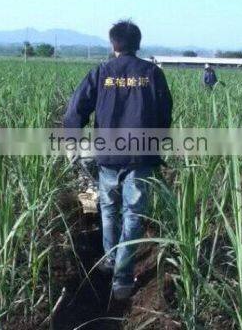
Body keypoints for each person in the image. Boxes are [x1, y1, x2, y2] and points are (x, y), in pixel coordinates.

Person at [63, 20, 173, 300]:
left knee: (109, 210)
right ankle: (122, 280)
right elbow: (164, 114)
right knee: (133, 215)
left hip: (109, 155)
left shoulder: (101, 73)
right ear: (138, 44)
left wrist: (71, 140)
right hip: (141, 156)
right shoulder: (152, 74)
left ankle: (112, 261)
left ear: (113, 44)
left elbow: (77, 108)